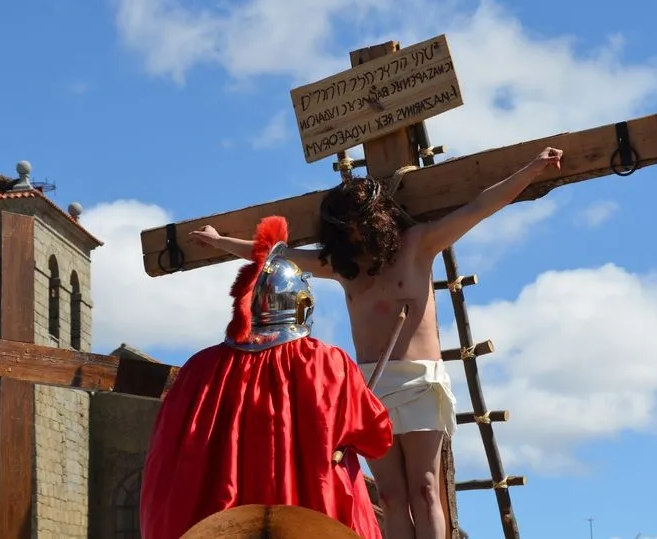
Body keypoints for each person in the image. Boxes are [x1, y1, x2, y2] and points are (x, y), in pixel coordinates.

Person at [191, 146, 564, 538]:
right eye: (344, 227)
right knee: (390, 495)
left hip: (421, 381)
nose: (353, 234)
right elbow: (275, 256)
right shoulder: (341, 267)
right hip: (369, 387)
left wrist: (532, 169)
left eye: (358, 224)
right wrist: (220, 241)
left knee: (424, 489)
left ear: (377, 221)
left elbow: (479, 206)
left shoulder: (417, 245)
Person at [140, 215, 394, 539]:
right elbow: (377, 438)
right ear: (301, 305)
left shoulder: (200, 369)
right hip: (315, 516)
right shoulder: (327, 363)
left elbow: (166, 457)